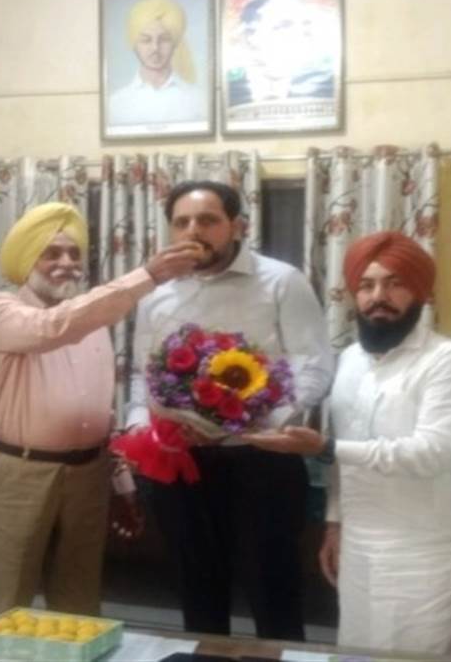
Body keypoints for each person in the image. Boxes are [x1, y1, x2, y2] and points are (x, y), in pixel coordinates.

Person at [244, 231, 451, 657]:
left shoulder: (448, 360)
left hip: (434, 553)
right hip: (362, 548)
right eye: (366, 286)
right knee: (358, 654)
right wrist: (335, 523)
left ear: (421, 292)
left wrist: (325, 447)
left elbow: (431, 453)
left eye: (394, 283)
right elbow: (343, 459)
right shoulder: (350, 360)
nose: (378, 297)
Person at [127, 180, 335, 641]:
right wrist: (142, 430)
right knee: (198, 597)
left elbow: (313, 364)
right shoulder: (155, 292)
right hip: (182, 465)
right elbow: (143, 375)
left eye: (208, 220)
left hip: (262, 462)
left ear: (237, 225)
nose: (193, 231)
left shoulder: (281, 281)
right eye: (181, 222)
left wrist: (254, 423)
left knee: (274, 597)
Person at [0, 202, 203, 616]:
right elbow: (50, 327)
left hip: (88, 475)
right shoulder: (1, 309)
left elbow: (99, 415)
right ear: (26, 259)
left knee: (79, 603)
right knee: (5, 601)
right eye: (52, 253)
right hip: (18, 475)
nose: (66, 263)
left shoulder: (93, 322)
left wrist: (123, 486)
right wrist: (148, 276)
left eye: (74, 253)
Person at [226, 0, 335, 107]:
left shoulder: (326, 89)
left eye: (305, 26)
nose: (299, 36)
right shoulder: (227, 91)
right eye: (284, 26)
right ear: (249, 35)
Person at [107, 0, 206, 126]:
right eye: (146, 40)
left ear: (175, 43)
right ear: (134, 44)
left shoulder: (198, 100)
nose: (155, 48)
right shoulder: (115, 104)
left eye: (164, 40)